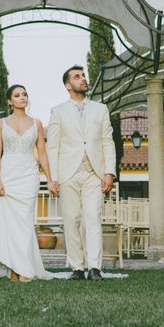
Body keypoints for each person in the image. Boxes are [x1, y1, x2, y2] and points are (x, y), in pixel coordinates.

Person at [46, 65, 116, 281]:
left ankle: (95, 267)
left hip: (93, 174)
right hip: (68, 174)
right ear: (68, 85)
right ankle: (77, 267)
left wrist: (109, 173)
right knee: (71, 219)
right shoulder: (57, 111)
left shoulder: (101, 109)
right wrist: (54, 178)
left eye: (83, 75)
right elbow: (53, 146)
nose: (83, 79)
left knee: (93, 219)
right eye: (77, 77)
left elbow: (107, 141)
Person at [0, 84, 59, 281]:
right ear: (10, 101)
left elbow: (42, 153)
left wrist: (50, 180)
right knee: (9, 223)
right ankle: (12, 268)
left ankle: (23, 268)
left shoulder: (37, 123)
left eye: (24, 94)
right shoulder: (1, 123)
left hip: (28, 175)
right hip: (8, 175)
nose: (22, 97)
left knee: (25, 223)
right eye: (17, 95)